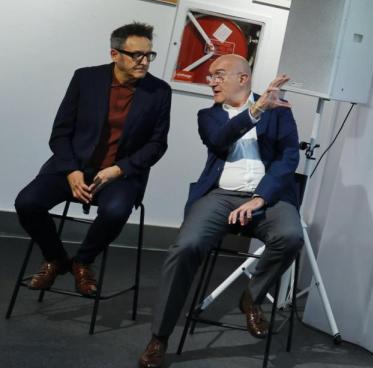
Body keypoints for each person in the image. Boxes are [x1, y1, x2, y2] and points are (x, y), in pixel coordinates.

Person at [139, 55, 303, 368]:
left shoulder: (279, 111)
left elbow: (288, 158)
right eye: (210, 75)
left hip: (267, 197)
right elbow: (218, 140)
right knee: (185, 247)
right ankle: (159, 336)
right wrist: (255, 111)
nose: (211, 81)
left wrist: (260, 198)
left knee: (291, 236)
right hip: (220, 196)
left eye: (219, 74)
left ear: (242, 79)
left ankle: (251, 297)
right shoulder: (209, 116)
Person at [15, 22, 171, 297]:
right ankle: (56, 258)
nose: (144, 62)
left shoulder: (159, 91)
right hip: (72, 167)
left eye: (149, 55)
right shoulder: (85, 79)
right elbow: (61, 133)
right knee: (27, 202)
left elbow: (157, 145)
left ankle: (83, 261)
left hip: (118, 175)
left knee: (116, 211)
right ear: (114, 54)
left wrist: (119, 169)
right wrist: (72, 170)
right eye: (137, 55)